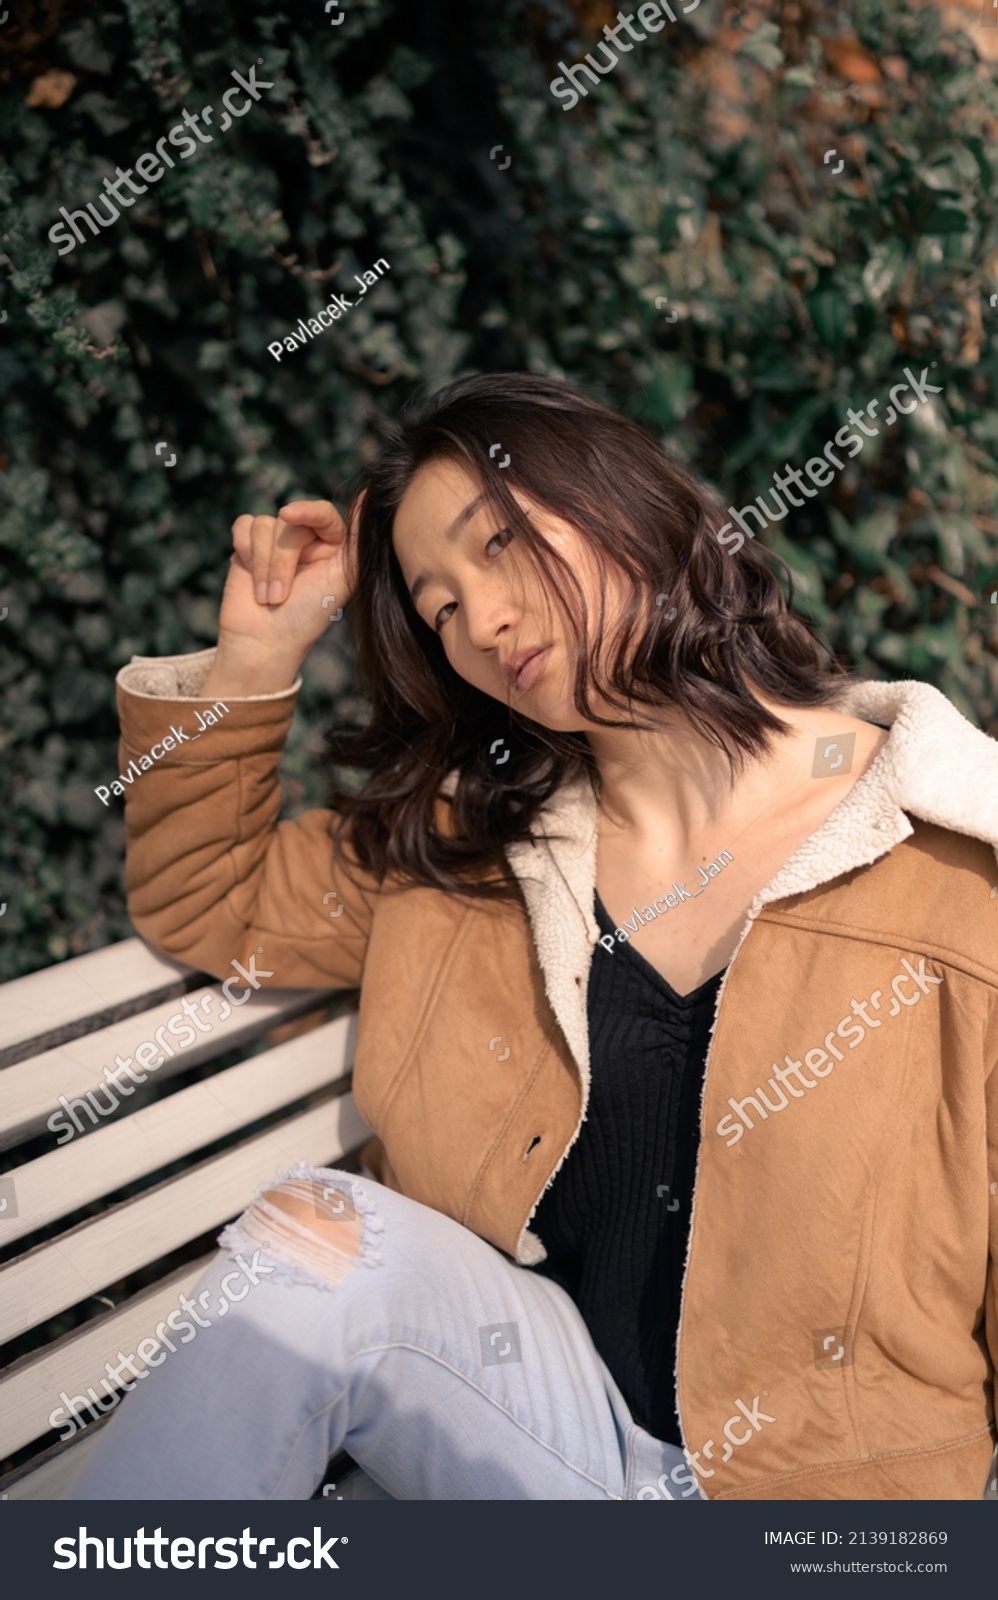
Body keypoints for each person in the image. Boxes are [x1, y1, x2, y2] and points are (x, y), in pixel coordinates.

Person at [65, 372, 998, 1501]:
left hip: (838, 1511)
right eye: (440, 605)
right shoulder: (468, 847)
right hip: (553, 1443)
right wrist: (257, 658)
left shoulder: (955, 861)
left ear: (626, 499)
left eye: (497, 545)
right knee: (316, 1242)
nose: (482, 621)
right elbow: (211, 901)